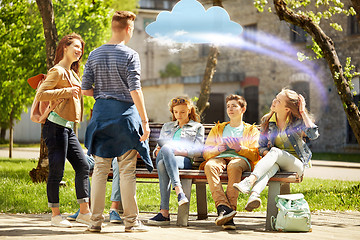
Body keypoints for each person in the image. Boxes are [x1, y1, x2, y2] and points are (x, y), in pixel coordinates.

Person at [81, 11, 153, 233]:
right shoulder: (131, 55)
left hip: (101, 116)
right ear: (128, 29)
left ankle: (94, 223)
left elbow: (85, 90)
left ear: (113, 27)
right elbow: (135, 89)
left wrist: (104, 94)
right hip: (125, 119)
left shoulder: (94, 54)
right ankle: (131, 222)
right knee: (127, 171)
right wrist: (145, 120)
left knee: (100, 170)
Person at [35, 33, 91, 228]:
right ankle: (55, 216)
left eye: (81, 49)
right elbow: (41, 94)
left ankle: (84, 212)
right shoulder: (57, 71)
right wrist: (66, 91)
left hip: (67, 128)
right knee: (57, 171)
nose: (79, 51)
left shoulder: (73, 73)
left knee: (83, 166)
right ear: (65, 47)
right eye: (76, 46)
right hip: (55, 127)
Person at [233, 89, 319, 212]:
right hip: (276, 162)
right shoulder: (267, 121)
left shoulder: (298, 121)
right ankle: (254, 196)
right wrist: (268, 154)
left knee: (275, 151)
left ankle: (249, 181)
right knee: (269, 169)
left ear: (287, 109)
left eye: (278, 101)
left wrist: (302, 112)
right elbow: (261, 146)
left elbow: (313, 134)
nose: (274, 101)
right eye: (275, 98)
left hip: (296, 165)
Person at [201, 94, 260, 230]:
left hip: (241, 160)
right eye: (228, 106)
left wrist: (240, 148)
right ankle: (224, 209)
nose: (230, 109)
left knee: (234, 166)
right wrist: (217, 149)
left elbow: (255, 155)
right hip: (219, 157)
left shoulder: (252, 130)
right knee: (210, 165)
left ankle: (228, 212)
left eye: (234, 106)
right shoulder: (218, 128)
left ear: (243, 109)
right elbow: (206, 153)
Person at [147, 97, 205, 225]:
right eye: (176, 112)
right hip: (165, 155)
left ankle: (164, 213)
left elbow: (198, 151)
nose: (179, 115)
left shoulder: (197, 127)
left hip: (183, 160)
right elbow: (157, 151)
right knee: (165, 151)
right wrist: (157, 151)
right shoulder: (167, 126)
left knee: (163, 163)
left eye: (183, 112)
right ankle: (179, 191)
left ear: (189, 111)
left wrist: (178, 152)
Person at [67, 156, 123, 223]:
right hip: (98, 154)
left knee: (118, 162)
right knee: (82, 161)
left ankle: (114, 209)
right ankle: (85, 209)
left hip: (117, 154)